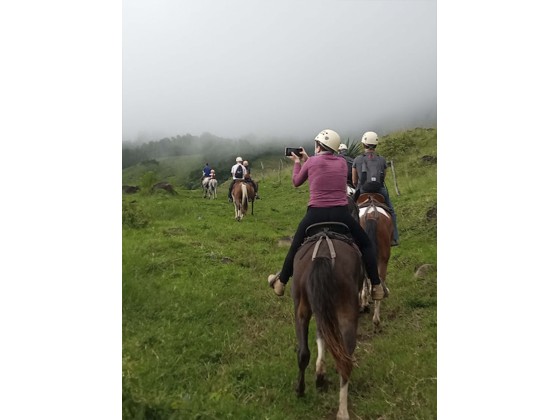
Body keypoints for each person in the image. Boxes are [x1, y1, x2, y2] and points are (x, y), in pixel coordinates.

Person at [267, 129, 386, 299]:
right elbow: (323, 166)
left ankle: (281, 282)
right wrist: (308, 159)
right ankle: (376, 286)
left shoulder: (311, 163)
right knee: (366, 244)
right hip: (341, 215)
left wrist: (297, 162)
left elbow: (296, 182)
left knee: (296, 244)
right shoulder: (342, 163)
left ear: (318, 146)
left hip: (315, 214)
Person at [352, 131, 400, 246]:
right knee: (391, 211)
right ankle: (394, 238)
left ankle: (350, 237)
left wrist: (358, 187)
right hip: (379, 190)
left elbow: (354, 180)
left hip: (363, 190)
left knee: (351, 212)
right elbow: (383, 177)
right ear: (376, 145)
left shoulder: (357, 159)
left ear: (364, 144)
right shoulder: (382, 159)